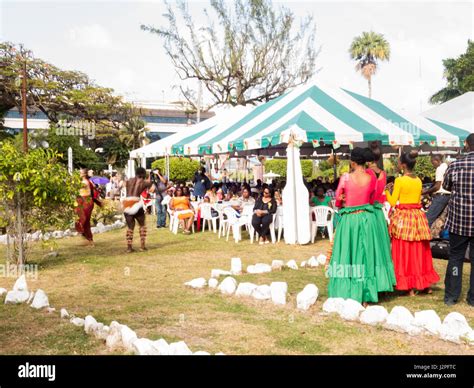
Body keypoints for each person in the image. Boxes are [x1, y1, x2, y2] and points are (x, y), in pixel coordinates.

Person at [327, 148, 395, 305]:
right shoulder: (371, 178)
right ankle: (367, 294)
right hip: (367, 218)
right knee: (366, 255)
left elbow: (337, 200)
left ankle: (349, 290)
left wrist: (343, 201)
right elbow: (371, 199)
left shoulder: (345, 177)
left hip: (349, 220)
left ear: (352, 162)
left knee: (348, 254)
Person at [385, 150, 440, 296]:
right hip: (418, 217)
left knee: (404, 250)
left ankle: (408, 286)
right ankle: (424, 284)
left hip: (404, 218)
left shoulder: (400, 180)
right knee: (419, 250)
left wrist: (387, 191)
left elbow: (393, 202)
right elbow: (417, 200)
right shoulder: (418, 180)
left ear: (403, 165)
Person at [442, 133, 474, 306]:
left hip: (459, 221)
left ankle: (452, 296)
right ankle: (473, 298)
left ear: (467, 145)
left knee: (456, 258)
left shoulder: (455, 165)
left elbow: (446, 186)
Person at [121, 167, 155, 253]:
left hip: (127, 203)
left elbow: (120, 186)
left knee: (130, 227)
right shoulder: (145, 182)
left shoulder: (128, 181)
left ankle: (129, 248)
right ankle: (142, 246)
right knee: (142, 225)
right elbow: (153, 190)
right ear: (143, 174)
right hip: (136, 202)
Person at [423, 155, 451, 227]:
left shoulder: (439, 168)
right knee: (440, 219)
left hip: (441, 196)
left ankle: (424, 236)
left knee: (428, 219)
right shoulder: (447, 166)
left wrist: (425, 192)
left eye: (433, 163)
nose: (433, 165)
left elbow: (437, 187)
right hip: (448, 196)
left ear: (437, 161)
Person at [75, 168, 97, 246]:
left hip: (86, 202)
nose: (79, 174)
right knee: (84, 221)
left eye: (80, 172)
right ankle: (89, 240)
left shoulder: (84, 182)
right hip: (83, 201)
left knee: (84, 221)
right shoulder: (86, 181)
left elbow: (76, 186)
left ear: (84, 174)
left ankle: (90, 240)